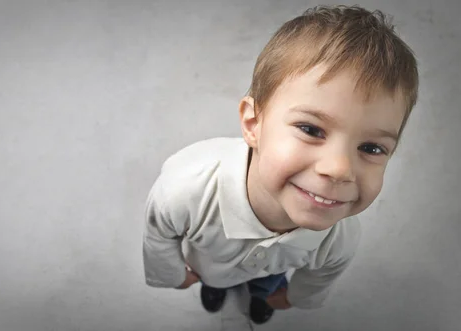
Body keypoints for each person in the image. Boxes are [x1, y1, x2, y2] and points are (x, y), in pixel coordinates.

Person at [142, 4, 419, 325]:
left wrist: (293, 296)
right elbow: (159, 232)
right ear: (253, 123)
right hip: (210, 264)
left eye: (371, 147)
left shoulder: (339, 236)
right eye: (311, 130)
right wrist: (174, 273)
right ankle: (215, 289)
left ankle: (261, 295)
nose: (340, 169)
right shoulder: (188, 188)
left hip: (270, 272)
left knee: (268, 283)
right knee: (214, 277)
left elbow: (323, 273)